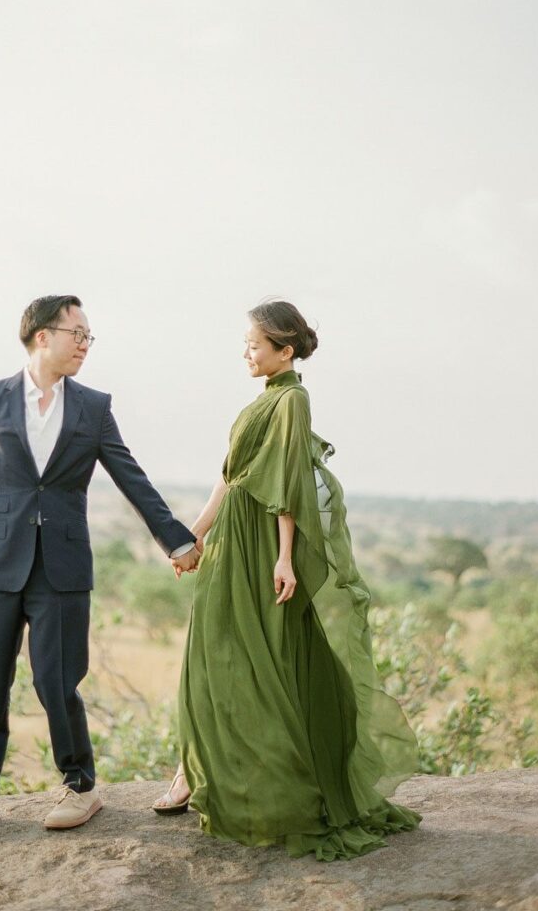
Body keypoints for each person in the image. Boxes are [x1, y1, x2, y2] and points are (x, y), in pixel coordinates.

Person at [0, 295, 200, 842]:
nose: (85, 345)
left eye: (90, 337)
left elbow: (130, 477)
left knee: (56, 681)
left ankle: (81, 786)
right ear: (42, 336)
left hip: (63, 567)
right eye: (78, 334)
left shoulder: (93, 407)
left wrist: (176, 540)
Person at [153, 300, 422, 861]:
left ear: (286, 350)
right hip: (233, 541)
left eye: (254, 344)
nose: (246, 353)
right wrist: (191, 538)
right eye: (247, 344)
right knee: (214, 652)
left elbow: (288, 486)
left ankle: (205, 777)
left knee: (253, 658)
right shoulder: (267, 399)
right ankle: (195, 771)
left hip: (261, 549)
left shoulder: (293, 400)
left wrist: (283, 558)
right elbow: (231, 479)